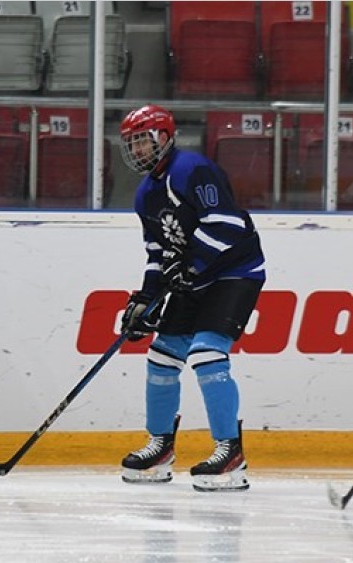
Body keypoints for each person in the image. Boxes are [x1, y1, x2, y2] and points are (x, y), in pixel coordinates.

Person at [116, 105, 266, 492]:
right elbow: (157, 253)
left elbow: (227, 224)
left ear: (164, 138)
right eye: (130, 143)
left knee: (205, 353)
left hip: (235, 273)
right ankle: (161, 447)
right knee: (161, 356)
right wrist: (144, 302)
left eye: (142, 141)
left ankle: (230, 453)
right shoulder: (146, 194)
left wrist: (192, 264)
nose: (136, 150)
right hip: (196, 280)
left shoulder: (192, 170)